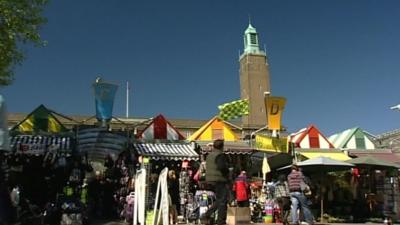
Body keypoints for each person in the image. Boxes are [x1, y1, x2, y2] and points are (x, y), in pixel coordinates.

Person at [201, 139, 229, 225]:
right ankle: (221, 221)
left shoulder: (209, 155)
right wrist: (227, 171)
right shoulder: (220, 155)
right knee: (223, 201)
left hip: (209, 180)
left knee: (219, 200)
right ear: (222, 146)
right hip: (219, 180)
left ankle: (206, 215)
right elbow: (221, 167)